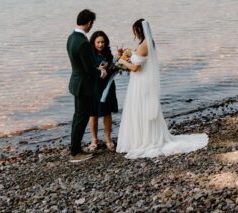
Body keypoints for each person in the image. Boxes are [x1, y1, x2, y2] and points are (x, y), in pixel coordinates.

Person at [115, 18, 208, 159]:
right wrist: (128, 54)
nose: (135, 34)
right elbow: (138, 57)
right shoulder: (148, 43)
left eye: (135, 31)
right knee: (142, 108)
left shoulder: (144, 45)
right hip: (142, 80)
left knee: (140, 108)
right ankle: (144, 136)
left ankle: (144, 139)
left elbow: (135, 67)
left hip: (140, 82)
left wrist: (121, 61)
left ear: (139, 30)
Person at [66, 9, 106, 162]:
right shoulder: (83, 42)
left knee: (78, 117)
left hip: (76, 82)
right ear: (89, 23)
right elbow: (89, 69)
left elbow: (80, 65)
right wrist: (100, 72)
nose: (91, 27)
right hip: (84, 86)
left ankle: (75, 149)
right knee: (81, 118)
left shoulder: (71, 38)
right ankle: (75, 153)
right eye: (92, 24)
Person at [88, 29, 119, 151]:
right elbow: (87, 71)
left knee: (107, 112)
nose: (101, 44)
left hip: (108, 86)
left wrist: (117, 60)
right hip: (95, 86)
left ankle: (108, 139)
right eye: (98, 42)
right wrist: (98, 69)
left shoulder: (108, 54)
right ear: (93, 43)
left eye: (103, 42)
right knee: (93, 113)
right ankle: (94, 139)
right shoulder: (89, 55)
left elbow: (113, 68)